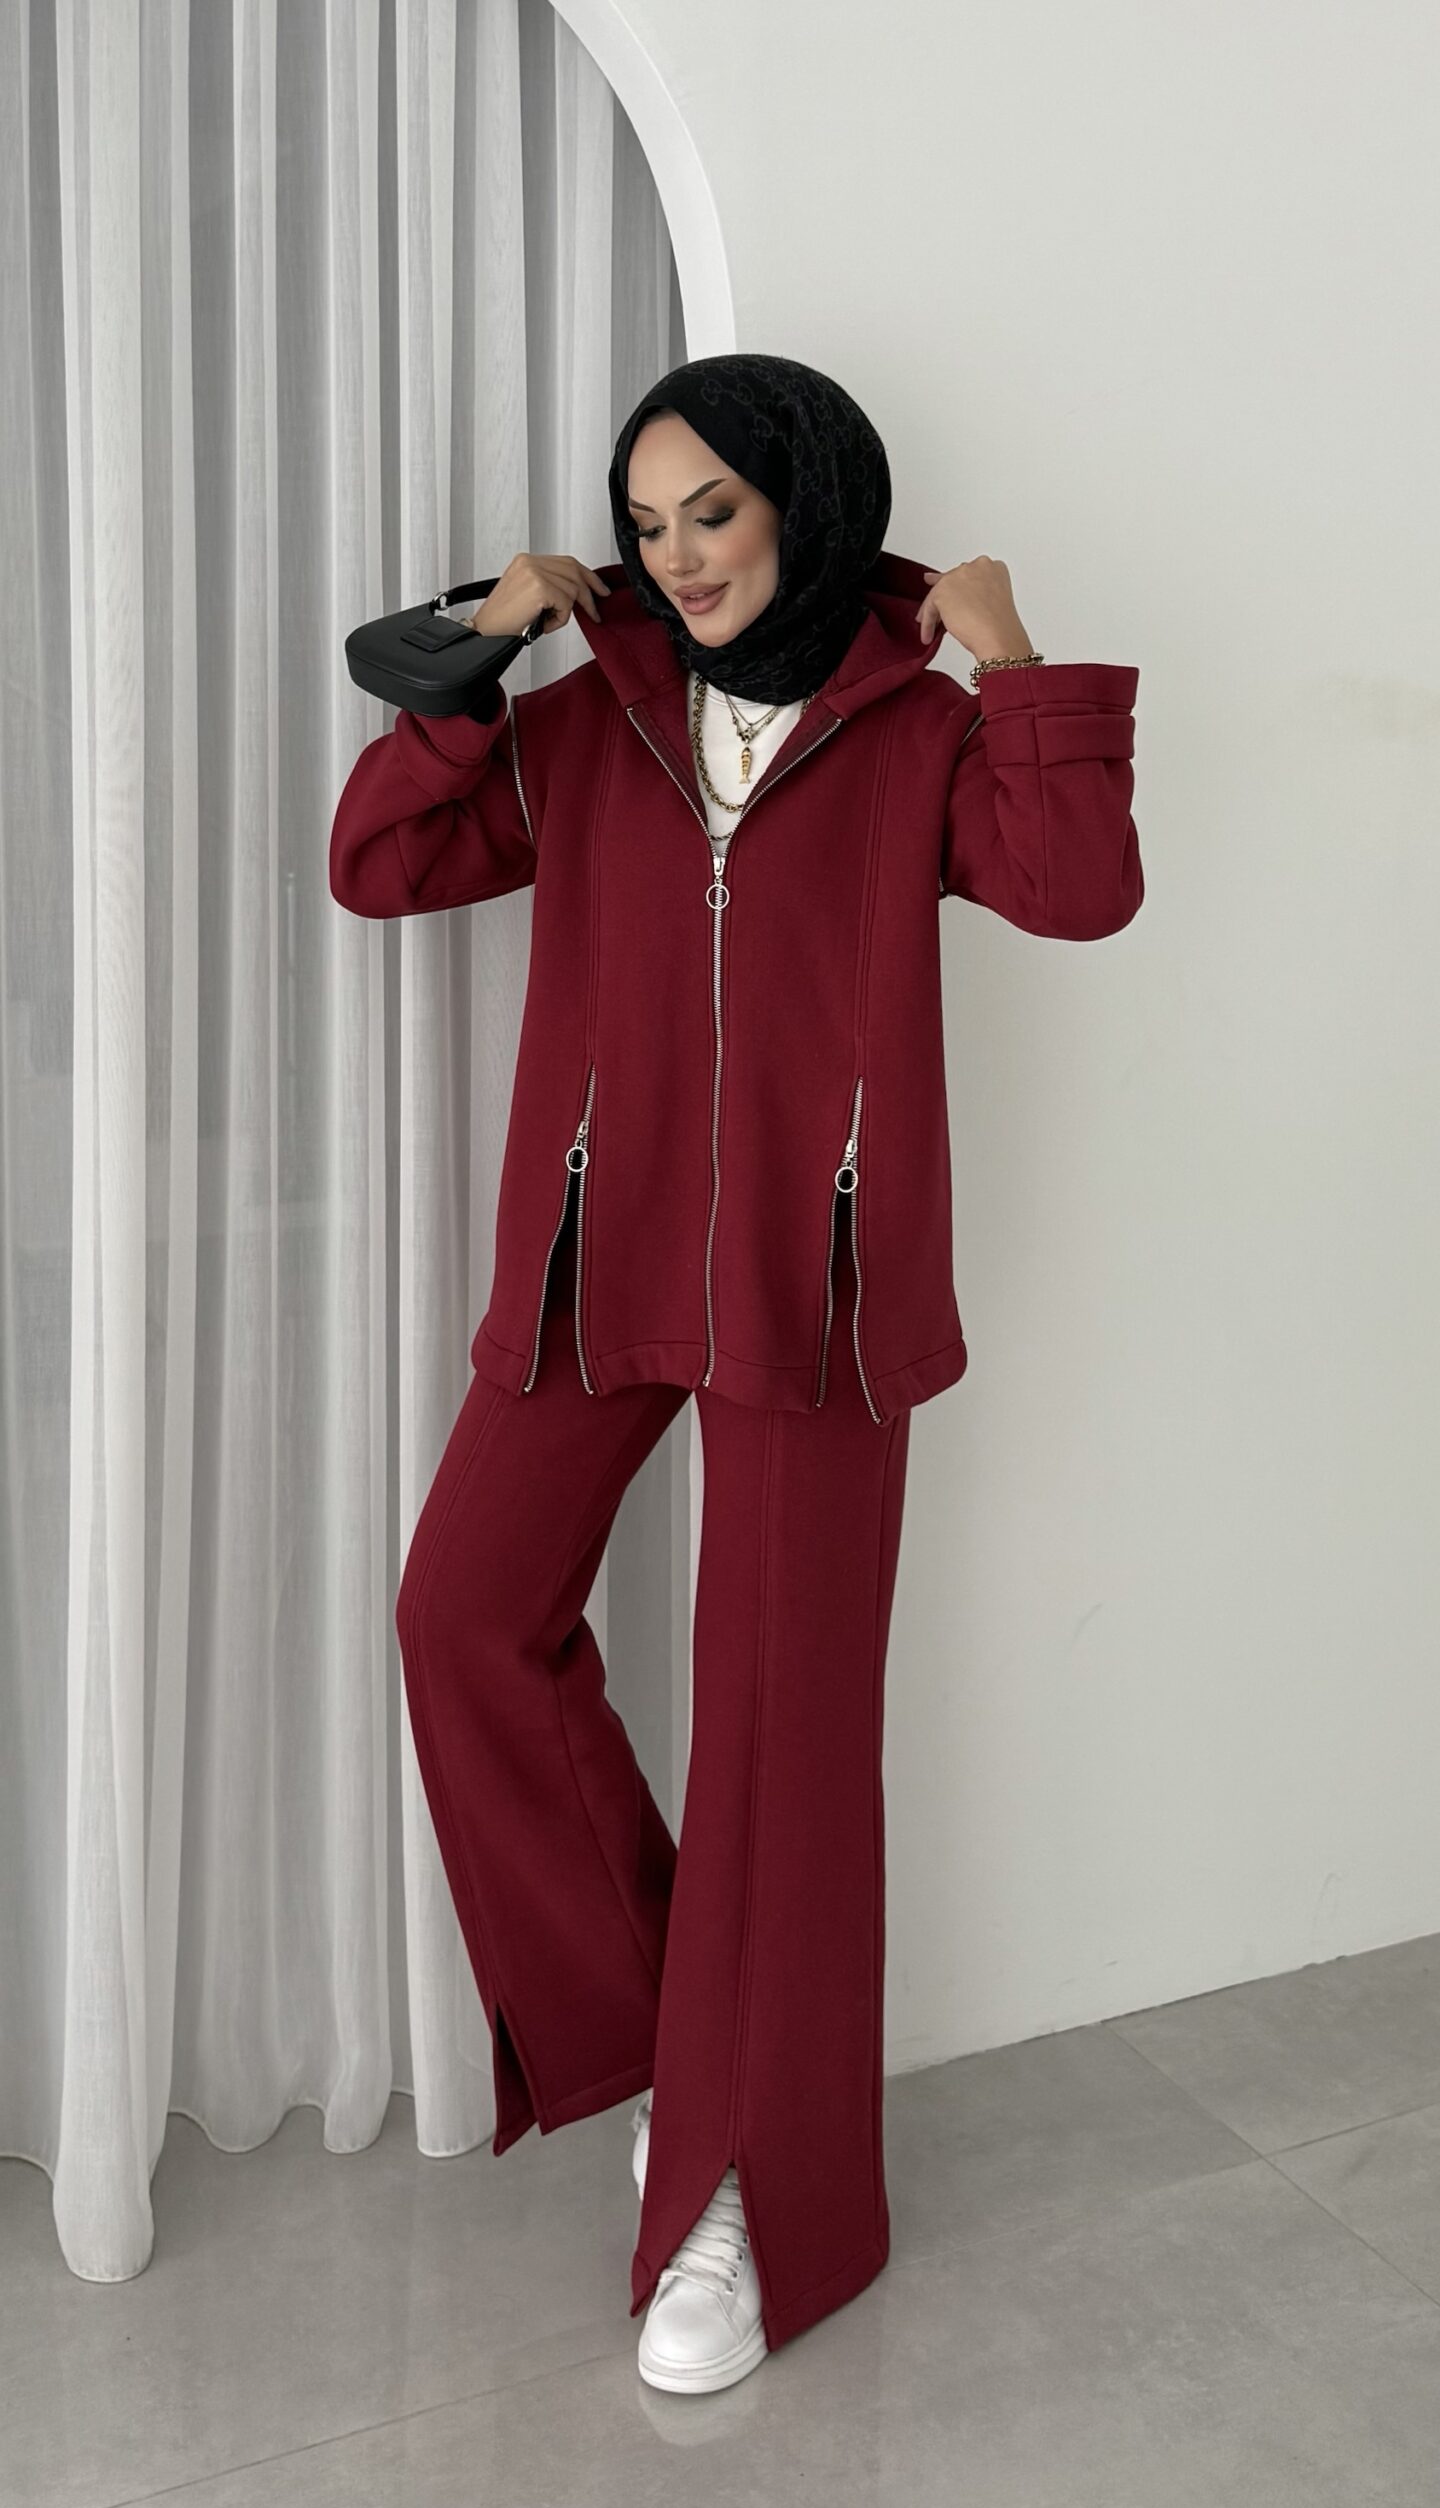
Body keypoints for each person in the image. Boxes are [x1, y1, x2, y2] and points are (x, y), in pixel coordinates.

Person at [329, 351, 1143, 2395]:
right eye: (647, 519)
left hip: (818, 1287)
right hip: (595, 1259)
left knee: (784, 1745)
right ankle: (681, 2058)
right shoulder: (594, 711)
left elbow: (1079, 890)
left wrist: (1014, 661)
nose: (680, 554)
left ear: (804, 496)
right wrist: (479, 649)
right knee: (462, 1615)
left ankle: (752, 2192)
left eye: (715, 509)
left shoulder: (912, 722)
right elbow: (386, 864)